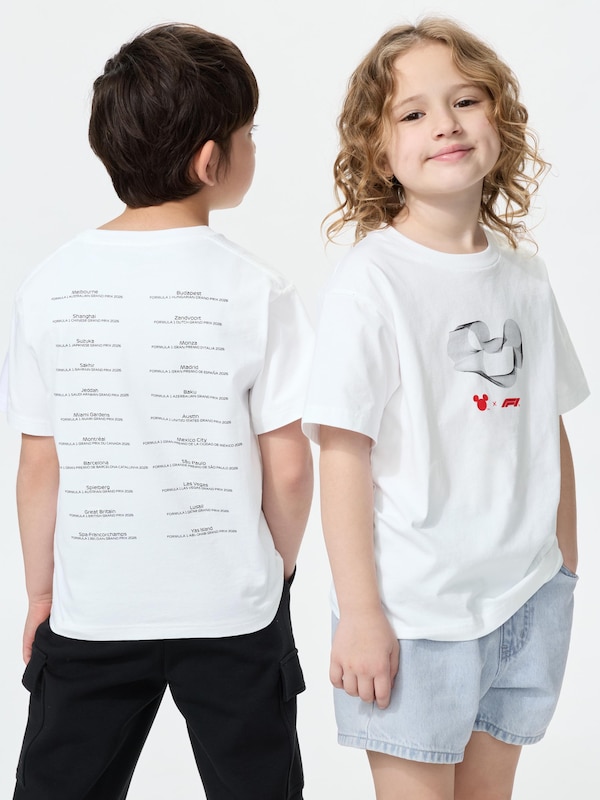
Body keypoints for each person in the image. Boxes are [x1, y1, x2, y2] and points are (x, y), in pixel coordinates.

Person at [5, 23, 313, 800]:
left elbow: (39, 464)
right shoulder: (259, 290)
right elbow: (289, 467)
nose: (251, 147)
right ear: (211, 161)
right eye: (247, 135)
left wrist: (41, 595)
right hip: (232, 611)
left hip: (95, 610)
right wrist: (276, 569)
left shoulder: (48, 286)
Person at [302, 16, 589, 800]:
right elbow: (343, 453)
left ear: (500, 118)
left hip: (527, 598)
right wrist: (360, 612)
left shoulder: (525, 276)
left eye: (465, 100)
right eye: (413, 112)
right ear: (378, 151)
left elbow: (547, 421)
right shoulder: (372, 282)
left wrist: (564, 565)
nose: (446, 124)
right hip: (415, 614)